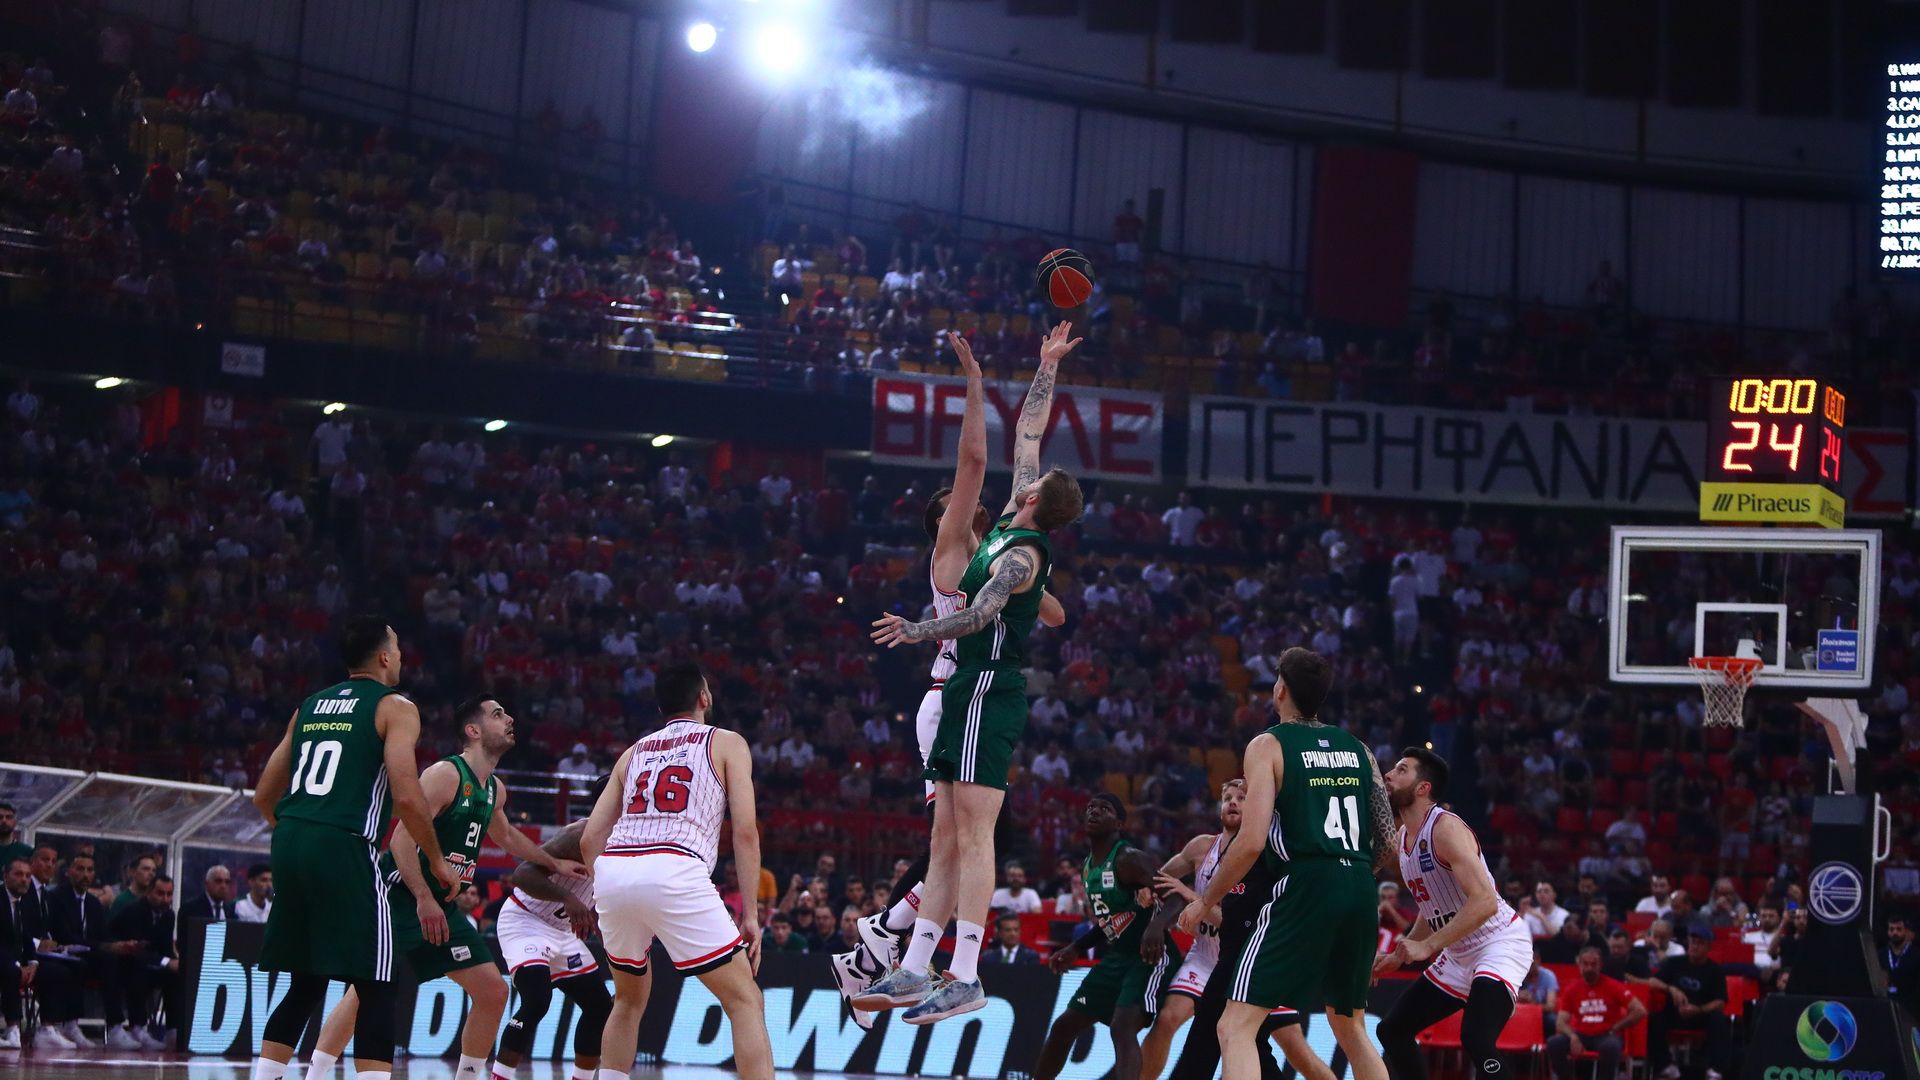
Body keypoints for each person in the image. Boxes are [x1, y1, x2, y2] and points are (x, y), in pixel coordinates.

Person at [835, 334, 1063, 1027]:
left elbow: (991, 458)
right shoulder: (978, 543)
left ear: (1032, 501)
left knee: (966, 838)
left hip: (977, 684)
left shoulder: (1011, 549)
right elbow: (1019, 442)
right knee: (954, 839)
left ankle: (932, 959)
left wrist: (976, 379)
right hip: (956, 691)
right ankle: (909, 955)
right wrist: (1042, 366)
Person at [305, 697, 582, 1080]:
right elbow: (401, 841)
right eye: (498, 714)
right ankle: (315, 1075)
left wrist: (553, 863)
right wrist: (422, 897)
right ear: (473, 730)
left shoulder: (495, 790)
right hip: (399, 897)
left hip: (441, 904)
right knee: (364, 994)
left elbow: (506, 836)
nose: (509, 718)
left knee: (493, 992)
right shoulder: (445, 775)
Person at [248, 616, 459, 1080]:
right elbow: (407, 795)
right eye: (397, 647)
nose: (400, 656)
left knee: (305, 980)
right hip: (343, 844)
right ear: (384, 657)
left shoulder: (309, 706)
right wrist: (437, 860)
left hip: (289, 838)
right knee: (379, 981)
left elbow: (264, 795)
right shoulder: (395, 707)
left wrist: (304, 835)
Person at [1180, 647, 1392, 1080]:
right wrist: (1348, 874)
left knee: (1234, 1025)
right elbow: (1387, 839)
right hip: (1359, 883)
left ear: (1280, 689)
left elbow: (1251, 841)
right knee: (1351, 1026)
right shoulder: (1358, 748)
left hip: (1305, 882)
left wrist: (1205, 901)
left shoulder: (1268, 745)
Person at [582, 663, 772, 1080]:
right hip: (674, 867)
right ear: (704, 698)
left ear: (660, 707)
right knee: (745, 1000)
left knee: (626, 1002)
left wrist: (603, 894)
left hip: (614, 869)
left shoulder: (633, 752)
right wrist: (751, 914)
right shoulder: (727, 742)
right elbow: (744, 831)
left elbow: (590, 837)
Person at [1145, 780, 1333, 1080]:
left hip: (1252, 957)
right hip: (1207, 958)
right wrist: (1146, 888)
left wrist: (1194, 898)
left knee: (1290, 1046)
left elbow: (1233, 919)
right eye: (1228, 797)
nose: (1233, 802)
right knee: (1173, 1019)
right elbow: (1161, 878)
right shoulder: (1202, 846)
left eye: (1242, 797)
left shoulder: (1264, 851)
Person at [1374, 748, 1533, 1080]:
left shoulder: (1445, 829)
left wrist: (1428, 946)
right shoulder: (1403, 838)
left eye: (1401, 770)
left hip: (1498, 943)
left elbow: (1485, 901)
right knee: (1392, 1030)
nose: (1388, 775)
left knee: (1476, 1038)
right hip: (1459, 952)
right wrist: (1400, 955)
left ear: (1423, 788)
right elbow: (1431, 907)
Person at [1030, 794, 1173, 1080]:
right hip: (1116, 958)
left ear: (1119, 823)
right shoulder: (1087, 867)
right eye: (1090, 808)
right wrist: (1076, 947)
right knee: (1063, 1026)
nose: (1094, 812)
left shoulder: (1129, 858)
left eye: (1104, 809)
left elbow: (1176, 895)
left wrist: (1157, 926)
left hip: (1148, 958)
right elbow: (1111, 922)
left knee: (1122, 1027)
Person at [492, 820, 613, 1080]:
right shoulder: (578, 835)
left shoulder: (629, 843)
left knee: (600, 1007)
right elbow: (522, 874)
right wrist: (567, 898)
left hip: (563, 931)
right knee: (537, 1000)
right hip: (526, 919)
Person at [1545, 945, 1646, 1080]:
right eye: (1585, 964)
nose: (1589, 968)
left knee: (1611, 1047)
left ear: (1600, 965)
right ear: (1579, 965)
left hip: (1605, 1034)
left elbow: (1640, 1010)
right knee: (1554, 1043)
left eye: (1593, 964)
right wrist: (1573, 1036)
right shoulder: (1572, 989)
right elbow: (1560, 1022)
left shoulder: (1613, 986)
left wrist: (1617, 1026)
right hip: (1580, 1034)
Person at [104, 871, 179, 1049]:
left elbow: (164, 949)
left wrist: (175, 962)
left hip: (148, 961)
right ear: (149, 892)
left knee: (175, 975)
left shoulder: (168, 915)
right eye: (160, 893)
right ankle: (137, 1027)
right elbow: (137, 950)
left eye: (169, 894)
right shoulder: (135, 911)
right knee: (138, 969)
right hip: (119, 961)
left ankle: (173, 1029)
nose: (165, 899)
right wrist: (166, 961)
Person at [39, 850, 106, 1048]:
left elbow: (102, 936)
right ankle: (70, 1024)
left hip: (89, 954)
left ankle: (117, 1027)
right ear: (69, 871)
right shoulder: (56, 897)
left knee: (113, 962)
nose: (86, 875)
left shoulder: (94, 903)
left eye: (90, 870)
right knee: (76, 964)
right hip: (61, 953)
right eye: (80, 869)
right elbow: (63, 934)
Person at [1646, 930, 1731, 1078]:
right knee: (1654, 1019)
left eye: (1699, 944)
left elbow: (1720, 1002)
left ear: (1708, 947)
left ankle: (1715, 1069)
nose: (1694, 946)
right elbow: (1652, 981)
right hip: (1675, 1013)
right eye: (1692, 942)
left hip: (1700, 1015)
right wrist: (1670, 988)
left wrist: (1699, 1009)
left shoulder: (1715, 970)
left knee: (1719, 1019)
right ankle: (1665, 1066)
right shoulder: (1675, 963)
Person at [1, 858, 45, 1049]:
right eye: (18, 874)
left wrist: (33, 963)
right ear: (5, 876)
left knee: (55, 971)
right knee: (11, 972)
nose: (24, 880)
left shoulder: (27, 902)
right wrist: (18, 965)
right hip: (4, 958)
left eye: (28, 875)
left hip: (15, 959)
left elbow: (27, 937)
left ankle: (49, 1029)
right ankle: (13, 1027)